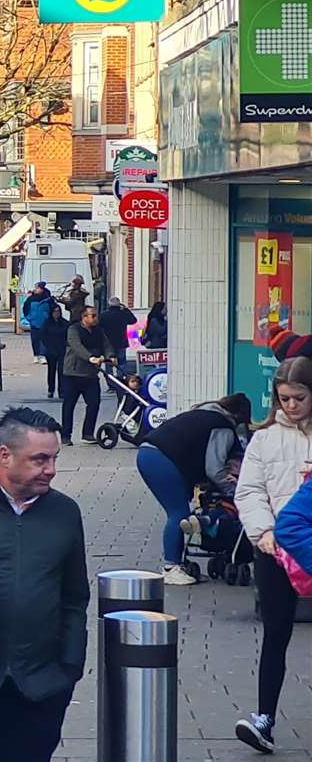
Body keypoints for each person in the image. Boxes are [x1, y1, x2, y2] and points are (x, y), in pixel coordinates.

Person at [0, 408, 89, 762]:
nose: (51, 469)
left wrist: (68, 666)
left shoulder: (65, 512)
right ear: (4, 456)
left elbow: (74, 596)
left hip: (40, 687)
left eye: (55, 457)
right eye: (40, 459)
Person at [233, 358, 312, 753]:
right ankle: (264, 718)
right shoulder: (264, 439)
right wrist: (262, 531)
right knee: (276, 632)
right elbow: (248, 491)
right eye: (284, 399)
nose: (291, 406)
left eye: (300, 398)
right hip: (275, 550)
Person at [140, 393, 250, 585]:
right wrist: (234, 491)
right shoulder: (222, 425)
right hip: (161, 459)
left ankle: (179, 559)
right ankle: (171, 568)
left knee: (178, 510)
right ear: (239, 417)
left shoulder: (203, 412)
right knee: (178, 513)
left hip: (149, 452)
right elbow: (214, 469)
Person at [60, 306, 105, 445]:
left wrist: (111, 356)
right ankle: (66, 435)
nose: (96, 318)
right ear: (84, 317)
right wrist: (90, 357)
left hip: (90, 375)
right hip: (73, 374)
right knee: (69, 405)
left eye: (96, 315)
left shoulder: (98, 331)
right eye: (93, 316)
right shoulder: (73, 329)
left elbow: (106, 344)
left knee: (94, 403)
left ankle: (88, 433)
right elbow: (76, 346)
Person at [39, 301, 69, 402]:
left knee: (62, 371)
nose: (57, 313)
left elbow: (68, 336)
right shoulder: (47, 323)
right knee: (51, 371)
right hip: (51, 351)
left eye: (58, 311)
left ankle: (62, 391)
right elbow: (43, 336)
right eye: (55, 312)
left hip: (62, 350)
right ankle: (51, 389)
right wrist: (48, 346)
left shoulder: (64, 323)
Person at [20, 283, 53, 364]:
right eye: (36, 288)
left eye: (37, 288)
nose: (36, 289)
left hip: (45, 323)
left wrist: (49, 318)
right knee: (35, 340)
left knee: (44, 340)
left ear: (42, 289)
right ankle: (36, 355)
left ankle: (42, 355)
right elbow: (25, 309)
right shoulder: (30, 299)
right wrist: (29, 318)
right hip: (34, 322)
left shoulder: (48, 299)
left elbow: (53, 309)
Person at [98, 296, 137, 361]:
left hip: (108, 341)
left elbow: (99, 326)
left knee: (109, 360)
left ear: (109, 304)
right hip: (121, 341)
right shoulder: (124, 314)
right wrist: (126, 309)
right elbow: (133, 320)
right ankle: (121, 371)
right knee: (122, 361)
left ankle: (109, 371)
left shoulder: (103, 314)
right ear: (119, 304)